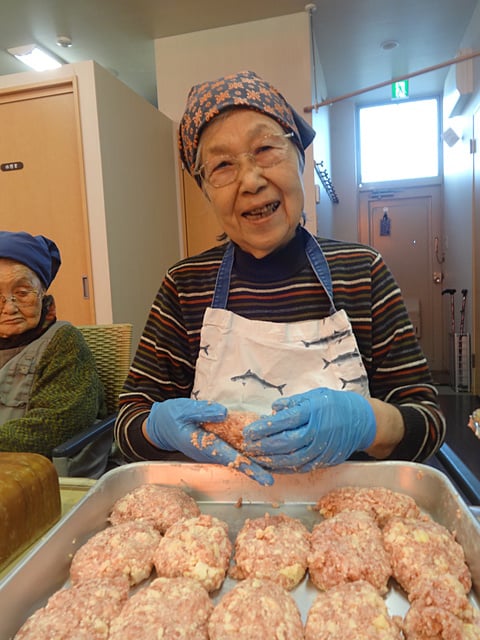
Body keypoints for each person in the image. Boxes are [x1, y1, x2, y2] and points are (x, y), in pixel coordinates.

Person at [115, 70, 446, 485]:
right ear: (205, 190)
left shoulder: (363, 272)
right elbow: (128, 421)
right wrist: (154, 428)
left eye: (266, 149)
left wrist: (369, 422)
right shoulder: (184, 286)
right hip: (218, 517)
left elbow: (429, 421)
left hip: (346, 517)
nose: (251, 181)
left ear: (300, 158)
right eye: (222, 166)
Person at [0, 230, 106, 471]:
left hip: (38, 477)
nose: (9, 308)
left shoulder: (63, 342)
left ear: (43, 294)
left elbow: (55, 425)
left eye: (22, 293)